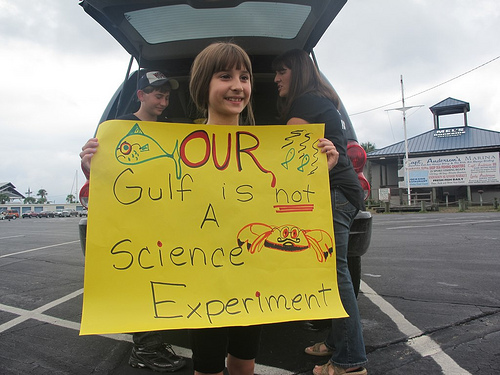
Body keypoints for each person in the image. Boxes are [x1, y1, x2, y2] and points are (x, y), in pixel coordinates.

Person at [79, 71, 187, 373]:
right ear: (141, 95)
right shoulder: (118, 128)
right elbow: (99, 174)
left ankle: (152, 343)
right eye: (157, 95)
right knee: (143, 283)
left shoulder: (172, 129)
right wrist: (88, 164)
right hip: (132, 223)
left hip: (165, 220)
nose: (164, 102)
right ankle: (145, 350)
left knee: (160, 282)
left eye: (167, 97)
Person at [273, 49, 368, 375]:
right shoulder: (322, 101)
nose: (275, 79)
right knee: (334, 274)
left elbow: (288, 153)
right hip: (345, 191)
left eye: (281, 72)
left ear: (296, 73)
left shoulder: (305, 103)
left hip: (334, 193)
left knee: (337, 277)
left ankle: (350, 363)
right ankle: (336, 342)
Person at [187, 41, 265, 375]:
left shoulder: (264, 150)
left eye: (244, 76)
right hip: (202, 276)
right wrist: (99, 172)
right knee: (207, 366)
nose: (237, 85)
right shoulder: (180, 149)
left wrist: (321, 170)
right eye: (224, 76)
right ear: (203, 86)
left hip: (251, 276)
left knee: (245, 361)